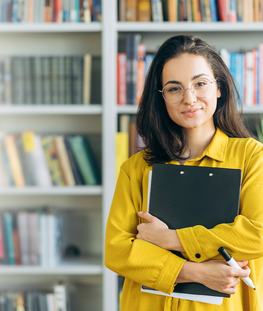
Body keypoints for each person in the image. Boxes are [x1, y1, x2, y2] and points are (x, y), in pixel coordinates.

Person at [105, 34, 263, 311]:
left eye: (200, 83)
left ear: (218, 87)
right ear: (161, 97)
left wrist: (172, 239)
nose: (189, 98)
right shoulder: (136, 168)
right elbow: (117, 251)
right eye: (174, 88)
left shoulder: (253, 157)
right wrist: (195, 271)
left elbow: (258, 234)